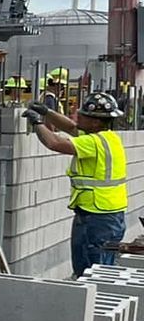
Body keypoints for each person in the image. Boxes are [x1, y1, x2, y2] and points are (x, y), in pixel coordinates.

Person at [29, 90, 130, 275]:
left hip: (97, 216)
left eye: (83, 115)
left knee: (92, 272)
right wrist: (46, 112)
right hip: (107, 215)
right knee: (101, 268)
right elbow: (70, 127)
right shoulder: (108, 137)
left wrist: (37, 123)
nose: (78, 116)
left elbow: (54, 143)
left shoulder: (93, 142)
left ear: (95, 122)